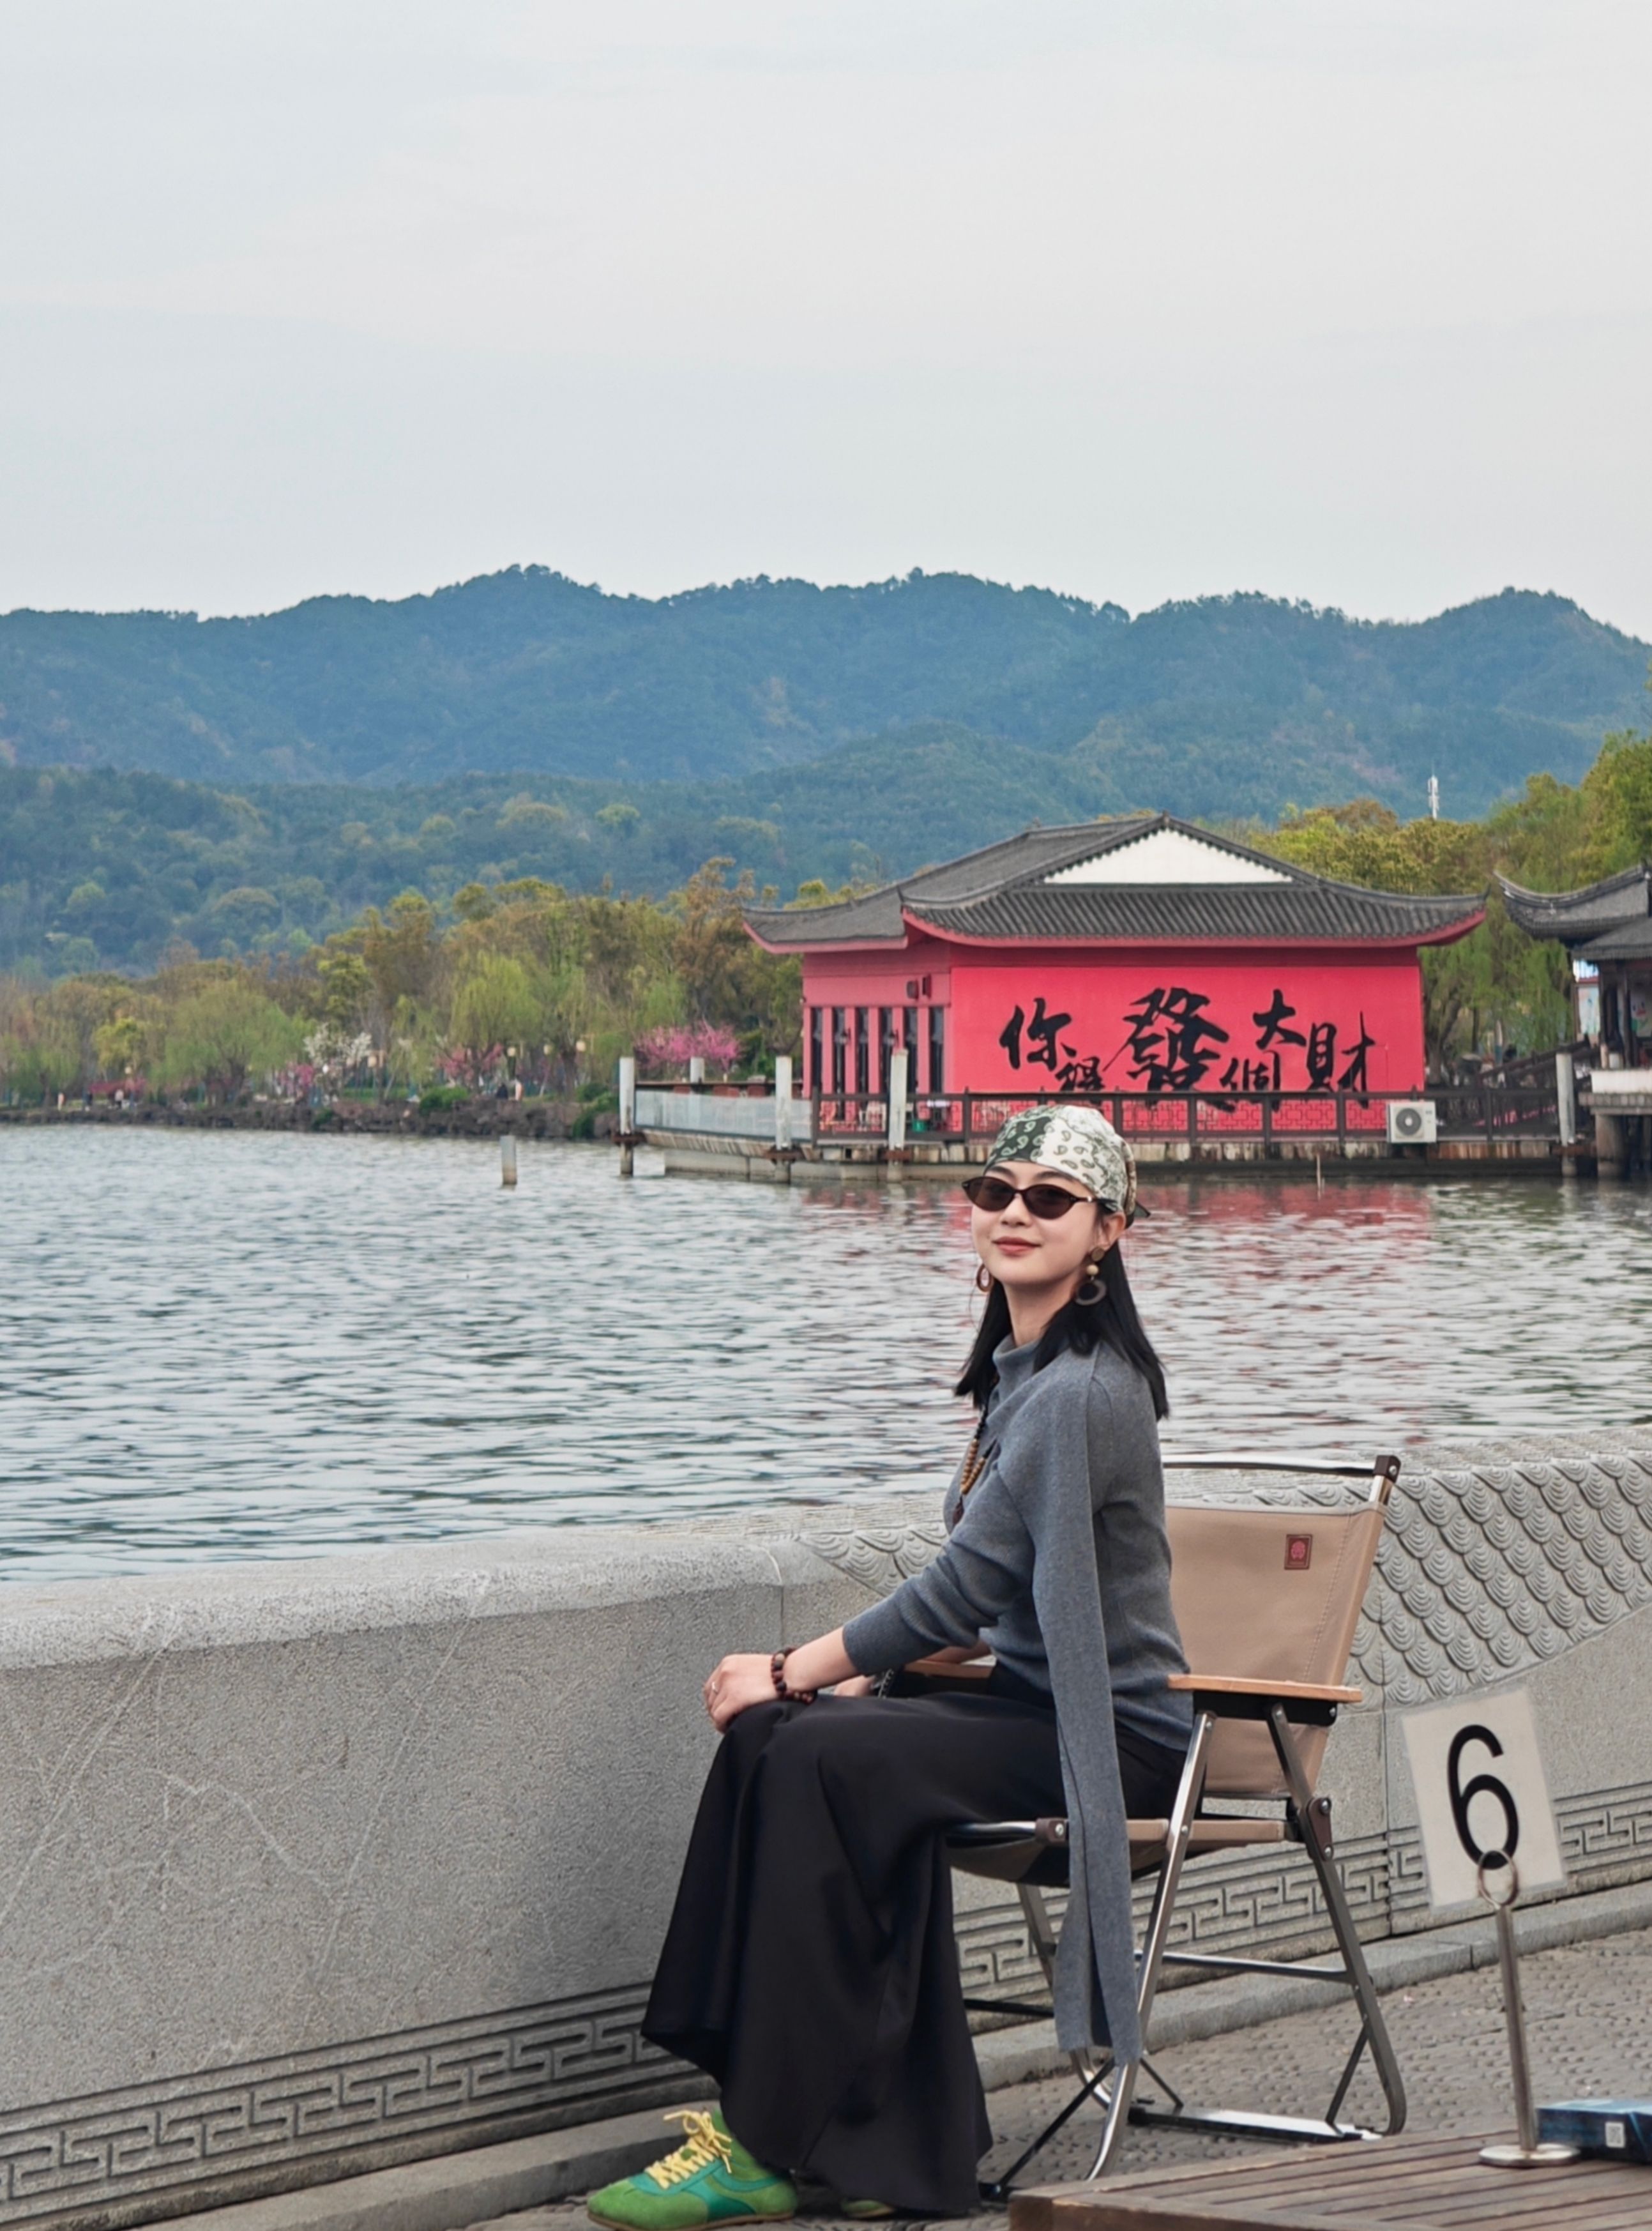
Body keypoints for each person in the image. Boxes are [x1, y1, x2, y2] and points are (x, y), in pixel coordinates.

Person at [588, 1106, 1190, 2228]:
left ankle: (773, 2143)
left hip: (1109, 1743)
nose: (1014, 1213)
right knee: (779, 1738)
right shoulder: (1021, 1377)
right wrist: (846, 1681)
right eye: (996, 1191)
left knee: (821, 1752)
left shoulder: (1082, 1392)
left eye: (1050, 1198)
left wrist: (793, 1664)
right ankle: (853, 2131)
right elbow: (1001, 1599)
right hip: (1023, 1706)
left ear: (1107, 1229)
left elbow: (961, 1586)